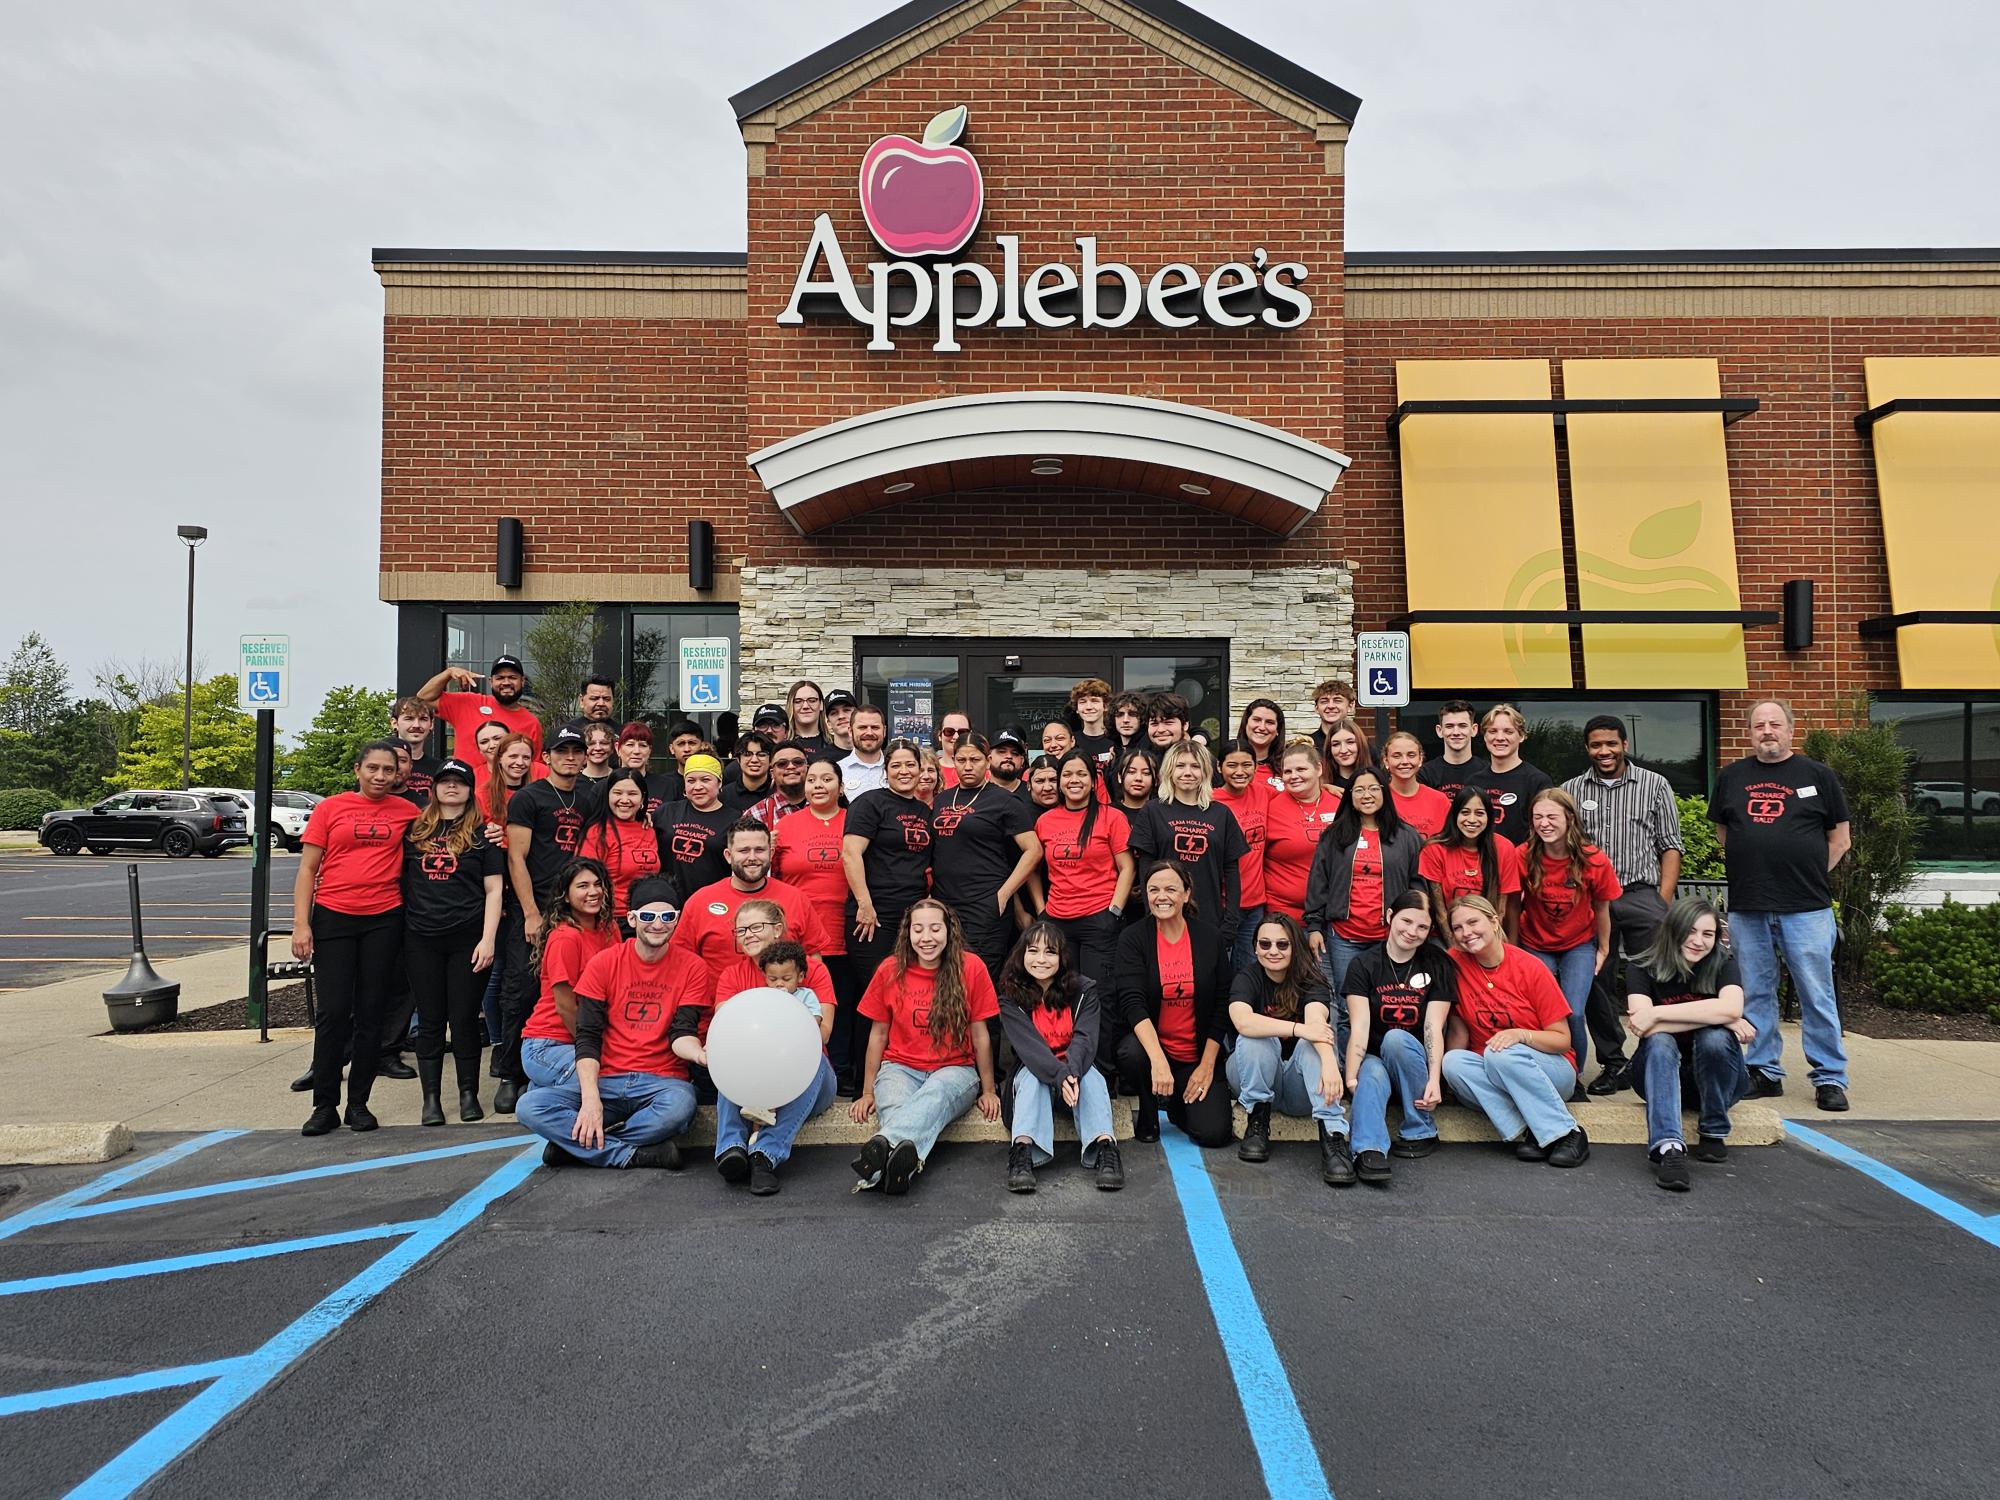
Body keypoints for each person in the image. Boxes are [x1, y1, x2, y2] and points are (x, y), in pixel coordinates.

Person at [1709, 699, 1853, 1110]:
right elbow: (1725, 833)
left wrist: (1804, 873)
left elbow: (1840, 839)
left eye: (1775, 724)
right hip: (1749, 905)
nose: (1767, 731)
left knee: (1816, 993)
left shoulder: (1818, 776)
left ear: (1791, 730)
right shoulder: (1731, 777)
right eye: (1759, 725)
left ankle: (1829, 1078)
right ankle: (1763, 1070)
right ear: (1749, 732)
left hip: (1806, 906)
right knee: (1754, 991)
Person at [518, 877, 706, 1170]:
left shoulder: (693, 967)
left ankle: (579, 1148)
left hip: (662, 1082)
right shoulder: (604, 963)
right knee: (530, 1106)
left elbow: (683, 1031)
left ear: (677, 920)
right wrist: (591, 1099)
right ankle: (629, 1154)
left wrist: (699, 1054)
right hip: (608, 1076)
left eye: (667, 916)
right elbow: (588, 1036)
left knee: (680, 1107)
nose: (658, 924)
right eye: (648, 916)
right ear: (631, 918)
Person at [294, 741, 421, 1136]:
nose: (381, 776)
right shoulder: (331, 808)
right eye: (373, 769)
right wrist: (302, 924)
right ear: (358, 769)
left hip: (384, 919)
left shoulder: (409, 811)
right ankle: (324, 1105)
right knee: (332, 1012)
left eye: (388, 770)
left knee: (371, 1013)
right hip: (334, 916)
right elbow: (307, 869)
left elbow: (448, 833)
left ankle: (359, 1104)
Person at [1560, 715, 1684, 1096]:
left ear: (1624, 744)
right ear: (1587, 749)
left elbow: (1670, 846)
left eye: (1611, 744)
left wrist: (1661, 901)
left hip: (1641, 895)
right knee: (1597, 982)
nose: (1604, 751)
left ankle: (1658, 1056)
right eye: (1596, 745)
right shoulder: (1571, 789)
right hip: (1593, 901)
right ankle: (1614, 1062)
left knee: (1660, 977)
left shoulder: (1654, 785)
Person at [848, 899, 1003, 1195]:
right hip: (900, 1067)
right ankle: (895, 1172)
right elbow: (878, 1034)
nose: (926, 938)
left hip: (955, 1070)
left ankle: (875, 1164)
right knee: (893, 1103)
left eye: (935, 928)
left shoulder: (971, 967)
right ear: (908, 933)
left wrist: (989, 1089)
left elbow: (981, 1035)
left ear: (949, 931)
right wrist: (868, 1091)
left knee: (936, 1094)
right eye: (918, 929)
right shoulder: (890, 969)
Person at [680, 921, 840, 1197]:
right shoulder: (737, 979)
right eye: (741, 929)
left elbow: (821, 1035)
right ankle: (731, 1149)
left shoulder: (811, 983)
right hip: (761, 1077)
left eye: (756, 927)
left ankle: (765, 1155)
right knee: (730, 1058)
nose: (749, 934)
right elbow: (727, 1032)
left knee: (812, 1061)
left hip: (809, 1082)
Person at [495, 724, 601, 1113]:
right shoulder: (529, 797)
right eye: (562, 751)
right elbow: (516, 857)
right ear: (547, 756)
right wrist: (530, 913)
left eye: (576, 751)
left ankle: (567, 1064)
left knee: (574, 989)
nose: (569, 757)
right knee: (520, 991)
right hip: (537, 908)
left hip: (578, 909)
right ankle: (510, 1074)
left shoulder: (591, 796)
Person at [1440, 895, 1588, 1167]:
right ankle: (1533, 1128)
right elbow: (1458, 1030)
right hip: (1495, 1072)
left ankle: (1569, 1133)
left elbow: (1562, 1039)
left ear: (1494, 921)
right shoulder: (1455, 964)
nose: (1466, 933)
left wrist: (1521, 1035)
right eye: (1458, 928)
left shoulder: (1530, 967)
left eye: (1473, 922)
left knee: (1500, 1053)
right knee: (1452, 1062)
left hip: (1549, 1069)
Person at [399, 758, 503, 1125]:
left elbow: (494, 889)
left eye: (459, 782)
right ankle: (431, 1099)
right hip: (421, 938)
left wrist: (488, 939)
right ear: (435, 788)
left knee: (462, 1020)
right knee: (430, 1020)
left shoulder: (483, 834)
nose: (452, 787)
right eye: (445, 781)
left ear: (470, 788)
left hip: (467, 938)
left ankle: (468, 1093)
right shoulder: (413, 831)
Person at [1623, 897, 1753, 1190]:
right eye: (1690, 931)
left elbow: (1731, 1009)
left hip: (1719, 1083)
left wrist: (1657, 1012)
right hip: (1659, 1079)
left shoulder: (1725, 963)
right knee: (1660, 1041)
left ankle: (1713, 1131)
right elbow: (1641, 1027)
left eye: (1708, 934)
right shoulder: (1643, 966)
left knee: (1716, 1038)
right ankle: (1670, 1149)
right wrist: (1716, 1014)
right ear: (1674, 930)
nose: (1698, 941)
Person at [1113, 862, 1234, 1147]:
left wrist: (1206, 1065)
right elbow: (1133, 1003)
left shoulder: (1209, 937)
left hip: (1195, 1054)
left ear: (1186, 894)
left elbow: (1221, 1004)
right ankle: (1149, 1105)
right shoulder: (1133, 938)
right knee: (1130, 1051)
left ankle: (1176, 1103)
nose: (1161, 896)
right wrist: (1158, 1061)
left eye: (1170, 889)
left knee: (1213, 1134)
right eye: (1153, 890)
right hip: (1153, 1052)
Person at [1226, 911, 1351, 1184]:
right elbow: (1242, 1021)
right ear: (1254, 947)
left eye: (1282, 944)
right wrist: (1297, 1028)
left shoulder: (1312, 980)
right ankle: (1257, 1119)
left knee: (1311, 1044)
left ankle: (1332, 1136)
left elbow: (1317, 1023)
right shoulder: (1247, 977)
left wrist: (1330, 1065)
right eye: (1265, 944)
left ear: (1295, 946)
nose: (1273, 951)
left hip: (1299, 1087)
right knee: (1254, 1037)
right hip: (1251, 1076)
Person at [999, 922, 1122, 1192]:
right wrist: (1060, 1074)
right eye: (1033, 951)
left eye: (1050, 952)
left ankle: (1105, 1148)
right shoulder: (1010, 997)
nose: (1041, 959)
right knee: (1031, 1076)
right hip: (1040, 1079)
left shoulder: (1084, 991)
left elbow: (1085, 1038)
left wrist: (1071, 1072)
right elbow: (1030, 1048)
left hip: (1074, 1083)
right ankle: (1022, 1152)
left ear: (1062, 957)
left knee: (1093, 1075)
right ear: (1022, 955)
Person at [1343, 891, 1457, 1180]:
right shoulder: (1364, 964)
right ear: (1390, 916)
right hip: (1375, 1055)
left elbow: (1433, 1026)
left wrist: (1434, 1080)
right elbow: (1360, 1026)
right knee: (1371, 1073)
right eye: (1406, 921)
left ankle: (1420, 1128)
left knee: (1396, 1039)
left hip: (1413, 1061)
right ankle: (1368, 1150)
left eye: (1422, 927)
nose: (1412, 932)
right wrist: (1351, 1077)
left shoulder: (1438, 962)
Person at [1517, 788, 1623, 1082]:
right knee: (1542, 1009)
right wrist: (1512, 947)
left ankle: (1572, 1074)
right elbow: (1512, 904)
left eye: (1552, 816)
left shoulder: (1593, 859)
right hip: (1535, 942)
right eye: (1538, 817)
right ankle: (1541, 1069)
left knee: (1573, 1011)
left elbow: (1602, 908)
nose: (1544, 823)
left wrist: (1603, 949)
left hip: (1578, 943)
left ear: (1570, 819)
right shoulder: (1524, 854)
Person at [773, 759, 857, 1082]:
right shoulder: (786, 827)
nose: (818, 785)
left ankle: (843, 1077)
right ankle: (801, 1075)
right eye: (811, 779)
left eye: (826, 778)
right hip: (797, 939)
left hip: (846, 930)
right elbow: (774, 879)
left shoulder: (855, 821)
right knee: (802, 1010)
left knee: (845, 1007)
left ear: (841, 785)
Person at [1305, 767, 1423, 995]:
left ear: (1384, 792)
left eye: (1373, 788)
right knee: (1347, 1002)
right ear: (1349, 795)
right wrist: (1314, 926)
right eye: (1358, 790)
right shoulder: (1333, 835)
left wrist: (1412, 925)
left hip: (1391, 937)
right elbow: (1319, 883)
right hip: (1344, 937)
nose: (1366, 795)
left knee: (1387, 998)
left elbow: (1417, 885)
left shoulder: (1406, 836)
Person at [671, 818, 830, 987]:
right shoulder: (700, 901)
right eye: (744, 851)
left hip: (784, 1007)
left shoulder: (795, 898)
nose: (752, 858)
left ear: (771, 852)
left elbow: (813, 958)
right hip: (718, 1009)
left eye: (760, 850)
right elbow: (680, 960)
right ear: (728, 856)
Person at [931, 732, 1041, 977]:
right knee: (946, 975)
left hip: (985, 904)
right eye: (961, 760)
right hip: (946, 903)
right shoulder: (942, 799)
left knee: (978, 977)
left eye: (975, 759)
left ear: (988, 759)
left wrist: (1004, 893)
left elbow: (1033, 850)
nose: (968, 766)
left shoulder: (1005, 800)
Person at [1128, 740, 1247, 956]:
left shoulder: (1221, 814)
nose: (1187, 772)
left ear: (1205, 772)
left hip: (1211, 921)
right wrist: (1150, 915)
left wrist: (1230, 923)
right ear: (1169, 770)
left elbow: (1231, 873)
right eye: (1180, 766)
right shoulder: (1152, 811)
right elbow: (1145, 869)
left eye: (1195, 766)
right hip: (1163, 918)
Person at [842, 741, 935, 1010]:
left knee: (905, 995)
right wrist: (865, 904)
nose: (903, 771)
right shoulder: (870, 803)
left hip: (911, 918)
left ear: (920, 770)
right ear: (885, 771)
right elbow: (851, 854)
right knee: (876, 996)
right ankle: (866, 1054)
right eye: (895, 765)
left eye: (910, 764)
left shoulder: (925, 811)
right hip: (873, 917)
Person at [1034, 748, 1134, 991]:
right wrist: (1041, 911)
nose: (1074, 780)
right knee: (1060, 992)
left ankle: (1099, 1032)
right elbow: (1033, 869)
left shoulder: (1112, 817)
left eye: (1081, 774)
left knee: (1099, 993)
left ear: (1093, 782)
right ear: (1059, 783)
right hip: (1057, 919)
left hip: (1098, 918)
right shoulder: (1045, 821)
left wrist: (1114, 912)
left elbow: (1127, 867)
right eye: (1067, 775)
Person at [517, 858, 618, 1094]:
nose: (593, 892)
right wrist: (591, 1050)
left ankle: (541, 1090)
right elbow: (565, 1007)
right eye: (582, 886)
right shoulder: (565, 938)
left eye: (597, 884)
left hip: (587, 1038)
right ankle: (539, 1095)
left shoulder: (610, 929)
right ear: (565, 895)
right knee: (603, 1082)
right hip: (548, 1044)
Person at [1418, 788, 1523, 937]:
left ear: (1489, 817)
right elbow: (1440, 914)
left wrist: (1488, 944)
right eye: (1465, 812)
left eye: (1479, 813)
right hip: (1445, 934)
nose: (1472, 820)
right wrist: (1455, 949)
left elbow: (1500, 910)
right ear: (1454, 815)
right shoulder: (1434, 849)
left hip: (1488, 934)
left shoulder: (1504, 848)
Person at [1261, 739, 1343, 924]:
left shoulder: (1340, 803)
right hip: (1284, 915)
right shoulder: (1270, 806)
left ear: (1319, 769)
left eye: (1301, 769)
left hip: (1332, 914)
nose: (1293, 776)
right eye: (1287, 771)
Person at [1212, 739, 1271, 973]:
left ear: (1256, 767)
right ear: (1219, 767)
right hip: (1222, 904)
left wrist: (1328, 787)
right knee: (1220, 972)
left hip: (1255, 903)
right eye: (1232, 765)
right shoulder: (1209, 800)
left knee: (1247, 971)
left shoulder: (1263, 793)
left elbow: (1297, 794)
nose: (1240, 772)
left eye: (1247, 765)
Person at [418, 653, 543, 760]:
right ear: (491, 681)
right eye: (500, 678)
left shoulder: (531, 723)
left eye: (512, 677)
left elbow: (534, 764)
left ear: (522, 681)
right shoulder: (468, 702)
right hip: (467, 786)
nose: (506, 682)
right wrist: (448, 673)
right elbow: (424, 698)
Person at [653, 751, 734, 902]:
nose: (698, 787)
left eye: (705, 780)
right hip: (667, 902)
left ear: (720, 782)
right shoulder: (665, 812)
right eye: (691, 781)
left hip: (712, 902)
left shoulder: (735, 820)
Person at [1465, 704, 1551, 844]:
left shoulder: (1537, 781)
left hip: (1521, 863)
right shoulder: (1473, 782)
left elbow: (1544, 832)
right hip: (1479, 863)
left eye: (1508, 732)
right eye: (1492, 731)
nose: (1500, 737)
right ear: (1485, 736)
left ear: (1521, 736)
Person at [1381, 729, 1450, 838]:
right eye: (1397, 756)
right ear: (1386, 761)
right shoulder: (1380, 799)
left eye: (1411, 755)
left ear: (1420, 759)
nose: (1404, 761)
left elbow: (1449, 842)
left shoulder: (1439, 800)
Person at [1417, 698, 1484, 801]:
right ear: (1439, 731)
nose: (1456, 732)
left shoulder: (1487, 771)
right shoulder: (1425, 774)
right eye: (1449, 726)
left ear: (1474, 730)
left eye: (1462, 726)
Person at [615, 722, 680, 814]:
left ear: (650, 751)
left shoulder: (667, 786)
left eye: (643, 745)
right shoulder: (605, 786)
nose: (636, 751)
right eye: (630, 745)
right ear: (617, 748)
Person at [746, 742, 811, 828]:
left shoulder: (827, 805)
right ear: (772, 773)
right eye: (782, 764)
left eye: (798, 762)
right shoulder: (754, 816)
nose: (791, 766)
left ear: (807, 768)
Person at [391, 696, 440, 802]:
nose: (416, 725)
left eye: (423, 719)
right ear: (394, 723)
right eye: (409, 718)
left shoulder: (440, 769)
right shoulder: (381, 766)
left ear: (431, 724)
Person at [1234, 699, 1287, 785]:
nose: (1262, 727)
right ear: (1246, 723)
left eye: (1269, 722)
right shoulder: (1228, 763)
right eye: (1256, 720)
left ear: (1278, 730)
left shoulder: (1287, 765)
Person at [839, 704, 888, 796]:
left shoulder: (897, 770)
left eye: (875, 727)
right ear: (850, 731)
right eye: (862, 727)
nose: (869, 732)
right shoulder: (838, 771)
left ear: (884, 731)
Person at [1321, 716, 1373, 800]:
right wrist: (1324, 788)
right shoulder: (1321, 783)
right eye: (1336, 744)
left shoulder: (1377, 780)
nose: (1343, 750)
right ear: (1329, 749)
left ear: (1360, 744)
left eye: (1350, 742)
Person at [1069, 678, 1116, 770]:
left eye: (1094, 701)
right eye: (1082, 702)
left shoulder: (1116, 740)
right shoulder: (1071, 742)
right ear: (1077, 709)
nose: (1089, 707)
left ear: (1105, 706)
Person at [722, 730, 775, 810]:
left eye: (761, 755)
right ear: (738, 759)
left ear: (771, 760)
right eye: (747, 754)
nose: (754, 760)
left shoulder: (778, 792)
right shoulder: (724, 795)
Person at [1308, 679, 1355, 755]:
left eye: (1337, 700)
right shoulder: (1308, 746)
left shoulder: (1362, 746)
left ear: (1350, 706)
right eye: (1324, 701)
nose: (1331, 706)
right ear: (1316, 708)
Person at [987, 726, 1031, 800]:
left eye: (1015, 753)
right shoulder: (976, 794)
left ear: (1022, 761)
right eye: (1002, 752)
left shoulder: (1033, 794)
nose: (1009, 756)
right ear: (989, 758)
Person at [785, 679, 829, 752]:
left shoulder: (835, 744)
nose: (805, 706)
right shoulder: (781, 745)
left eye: (812, 700)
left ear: (821, 704)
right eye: (798, 702)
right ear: (791, 706)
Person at [1145, 692, 1191, 758]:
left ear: (1185, 725)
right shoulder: (1143, 758)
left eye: (1168, 723)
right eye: (1154, 724)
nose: (1160, 730)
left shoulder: (1200, 759)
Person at [935, 711, 970, 787]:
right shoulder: (929, 770)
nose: (956, 737)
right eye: (949, 731)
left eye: (962, 732)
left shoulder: (983, 771)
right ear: (939, 735)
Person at [1109, 690, 1148, 758]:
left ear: (1142, 717)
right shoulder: (1115, 749)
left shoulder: (1148, 749)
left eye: (1132, 714)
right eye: (1119, 714)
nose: (1125, 720)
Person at [823, 688, 857, 753]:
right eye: (834, 713)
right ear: (828, 723)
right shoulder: (820, 760)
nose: (841, 716)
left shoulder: (872, 754)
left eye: (846, 710)